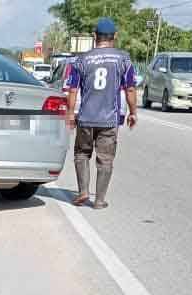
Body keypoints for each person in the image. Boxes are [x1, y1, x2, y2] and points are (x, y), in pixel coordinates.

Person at [65, 17, 137, 210]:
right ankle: (99, 200)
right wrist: (133, 112)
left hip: (86, 118)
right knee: (105, 159)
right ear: (115, 36)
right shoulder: (123, 59)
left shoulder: (81, 60)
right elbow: (130, 88)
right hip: (109, 119)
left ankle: (83, 192)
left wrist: (71, 114)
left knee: (81, 153)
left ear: (94, 36)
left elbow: (72, 90)